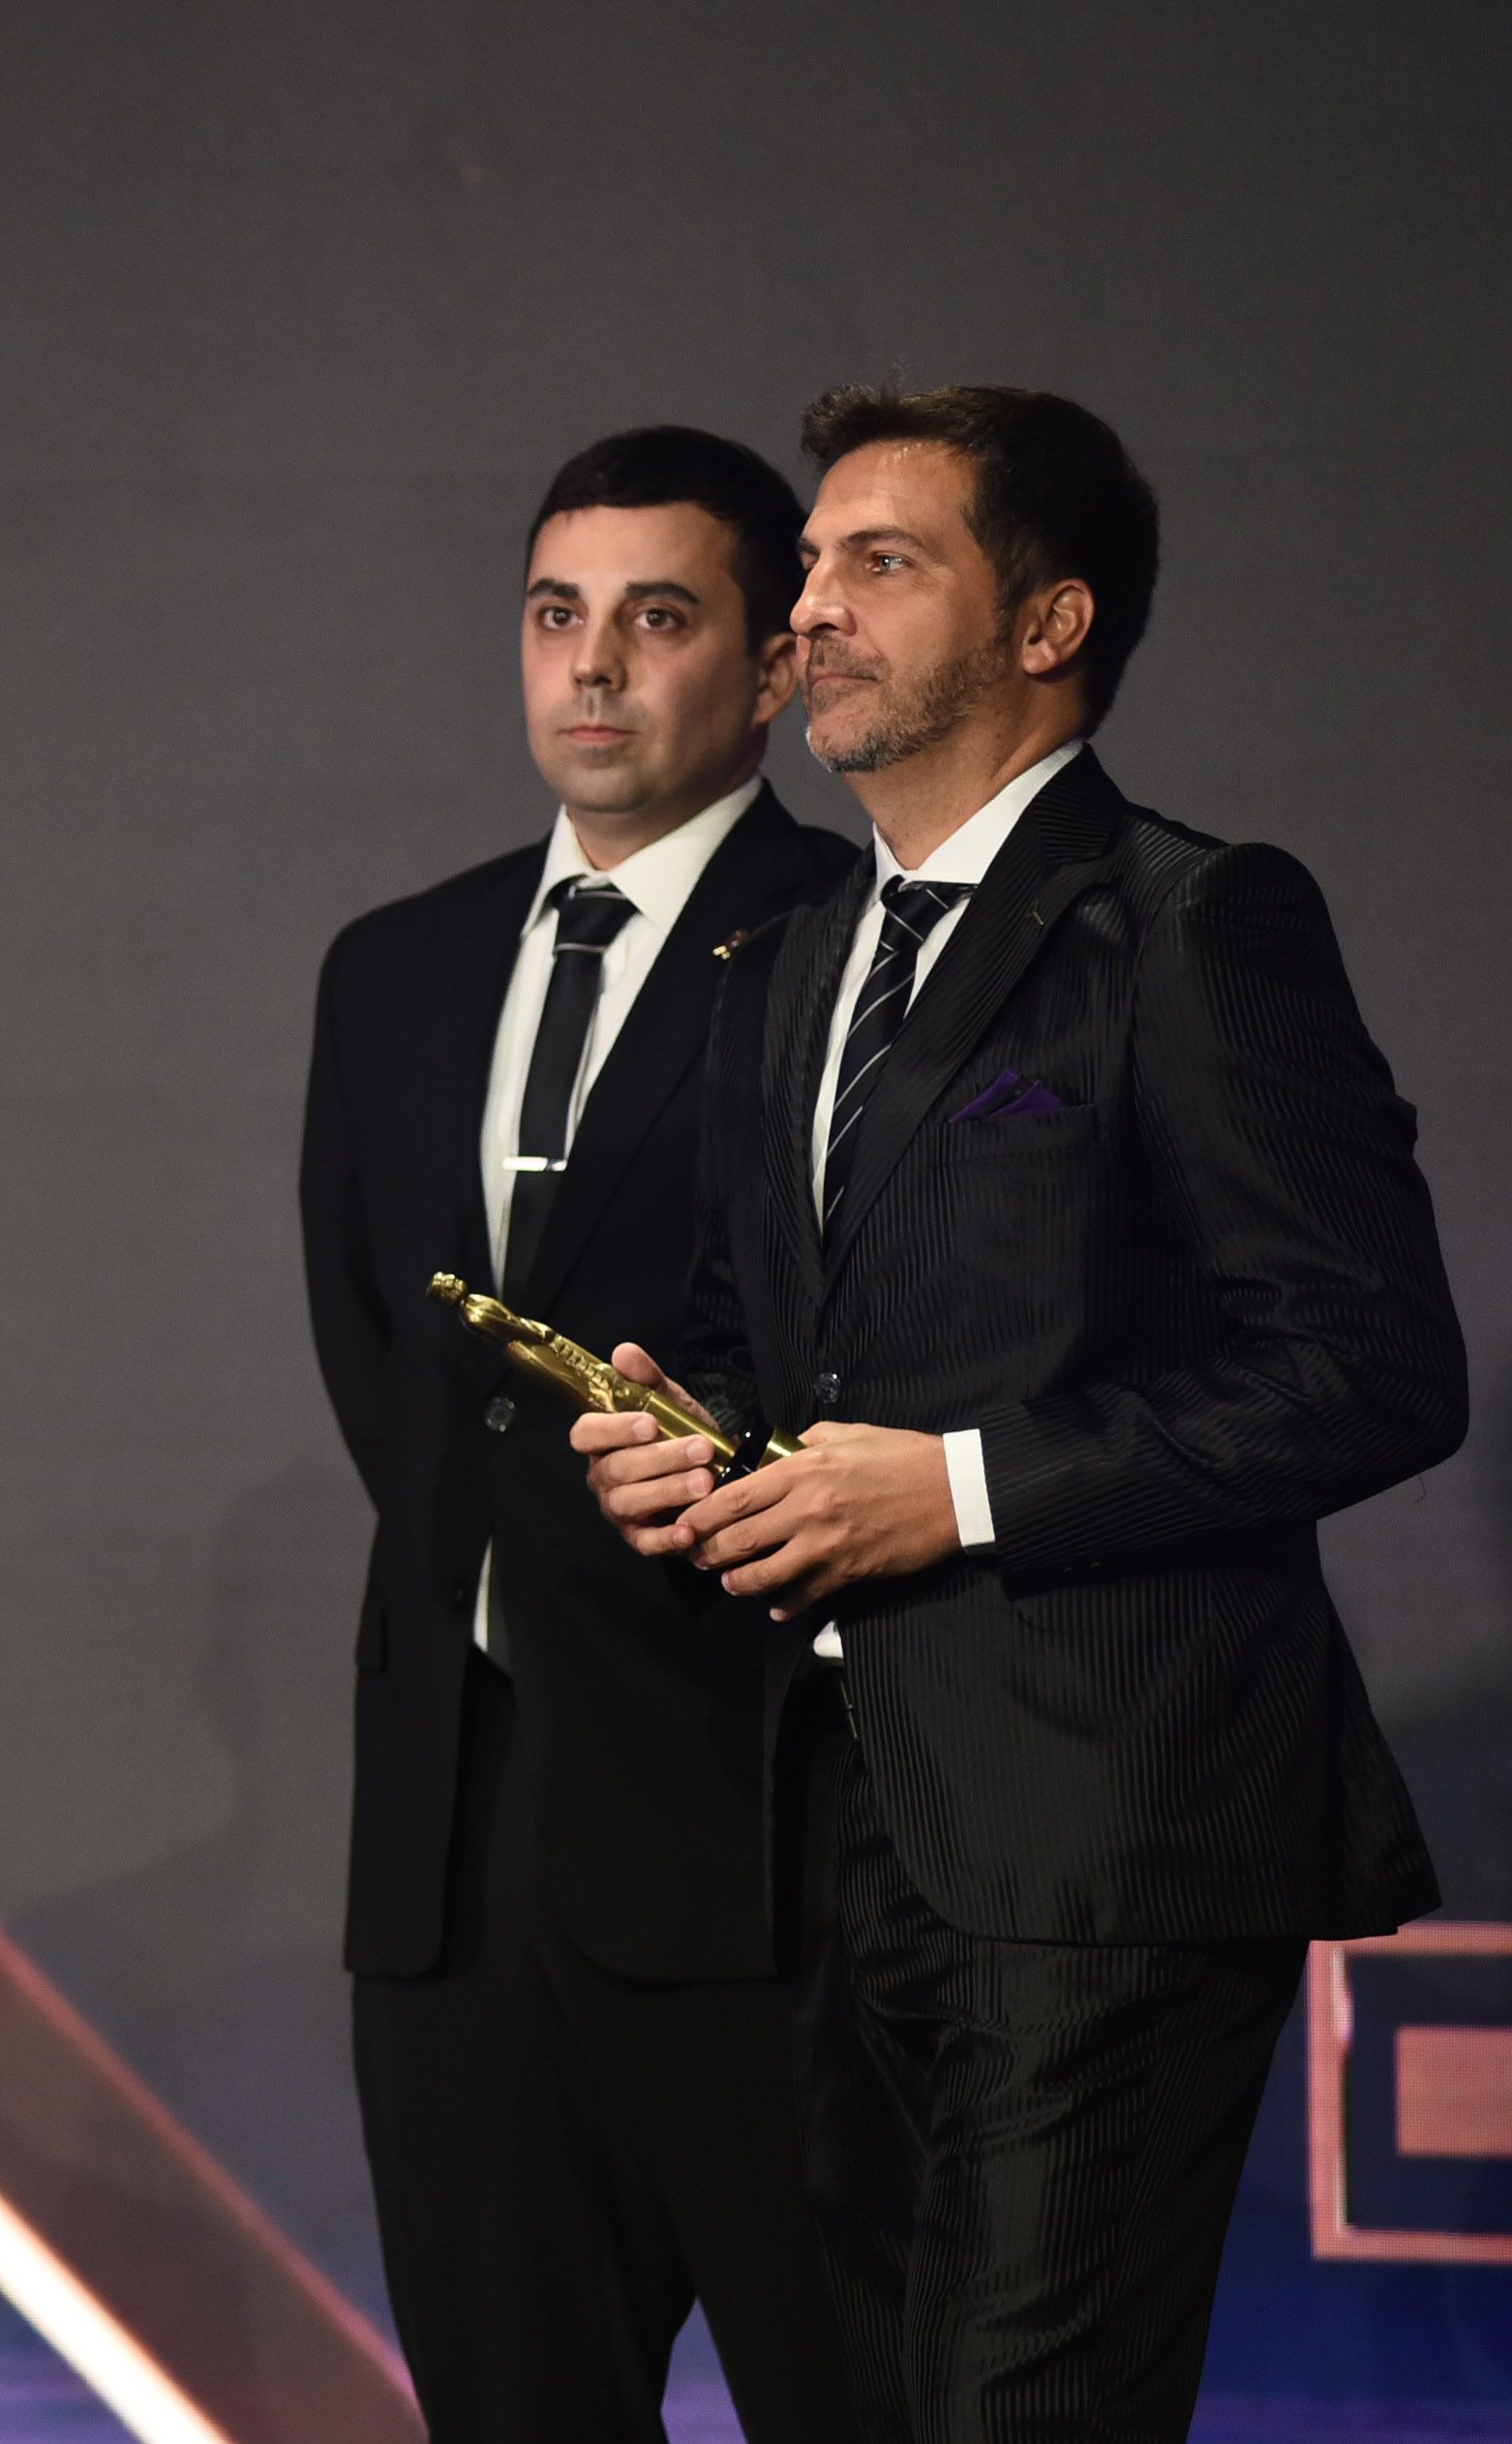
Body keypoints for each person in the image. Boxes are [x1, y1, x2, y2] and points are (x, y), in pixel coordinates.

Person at [576, 385, 1462, 2439]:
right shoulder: (794, 955)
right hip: (835, 1835)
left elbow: (1369, 1363)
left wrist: (961, 1491)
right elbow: (764, 1336)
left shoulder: (1194, 920)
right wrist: (682, 1434)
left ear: (1049, 623)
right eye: (811, 564)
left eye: (881, 564)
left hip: (1106, 1849)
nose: (811, 608)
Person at [300, 428, 862, 2444]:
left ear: (776, 664)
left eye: (658, 616)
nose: (594, 665)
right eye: (557, 614)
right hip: (450, 1842)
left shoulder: (861, 944)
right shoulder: (394, 967)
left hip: (769, 1821)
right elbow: (381, 1354)